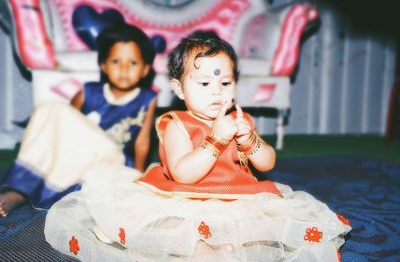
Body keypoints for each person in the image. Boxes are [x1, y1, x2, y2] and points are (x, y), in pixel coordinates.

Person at [44, 37, 351, 262]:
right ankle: (203, 250)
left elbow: (267, 163)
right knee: (172, 226)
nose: (217, 91)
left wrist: (250, 141)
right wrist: (215, 140)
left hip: (237, 196)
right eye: (204, 84)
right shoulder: (177, 123)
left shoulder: (239, 120)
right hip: (183, 197)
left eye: (226, 83)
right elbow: (183, 173)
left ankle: (226, 245)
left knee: (267, 224)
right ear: (179, 89)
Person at [0, 23, 157, 217]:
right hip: (84, 159)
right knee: (50, 109)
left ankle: (31, 191)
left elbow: (142, 142)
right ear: (104, 66)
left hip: (113, 161)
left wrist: (138, 177)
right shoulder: (88, 92)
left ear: (144, 69)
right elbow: (67, 130)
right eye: (116, 61)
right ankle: (19, 190)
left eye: (132, 63)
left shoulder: (146, 99)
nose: (124, 69)